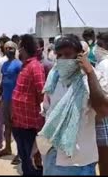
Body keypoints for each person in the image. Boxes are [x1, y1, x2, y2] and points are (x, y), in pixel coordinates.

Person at [36, 34, 108, 175]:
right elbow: (48, 115)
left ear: (80, 55)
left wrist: (89, 73)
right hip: (52, 156)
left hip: (79, 162)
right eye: (59, 55)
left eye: (68, 54)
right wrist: (38, 146)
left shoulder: (93, 78)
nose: (63, 59)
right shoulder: (54, 77)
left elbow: (103, 110)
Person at [11, 34, 45, 176]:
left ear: (23, 48)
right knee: (25, 160)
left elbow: (42, 95)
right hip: (19, 123)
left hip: (30, 125)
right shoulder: (25, 66)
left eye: (19, 47)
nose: (18, 51)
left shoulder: (35, 67)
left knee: (31, 163)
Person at [0, 41, 22, 165]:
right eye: (7, 48)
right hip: (5, 99)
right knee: (7, 125)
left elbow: (21, 83)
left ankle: (20, 153)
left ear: (15, 49)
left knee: (17, 127)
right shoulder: (4, 64)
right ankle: (7, 148)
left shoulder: (19, 65)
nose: (9, 50)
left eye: (11, 48)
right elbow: (3, 81)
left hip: (15, 100)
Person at [91, 32, 108, 175]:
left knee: (104, 160)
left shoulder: (104, 65)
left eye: (100, 45)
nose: (96, 48)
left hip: (104, 117)